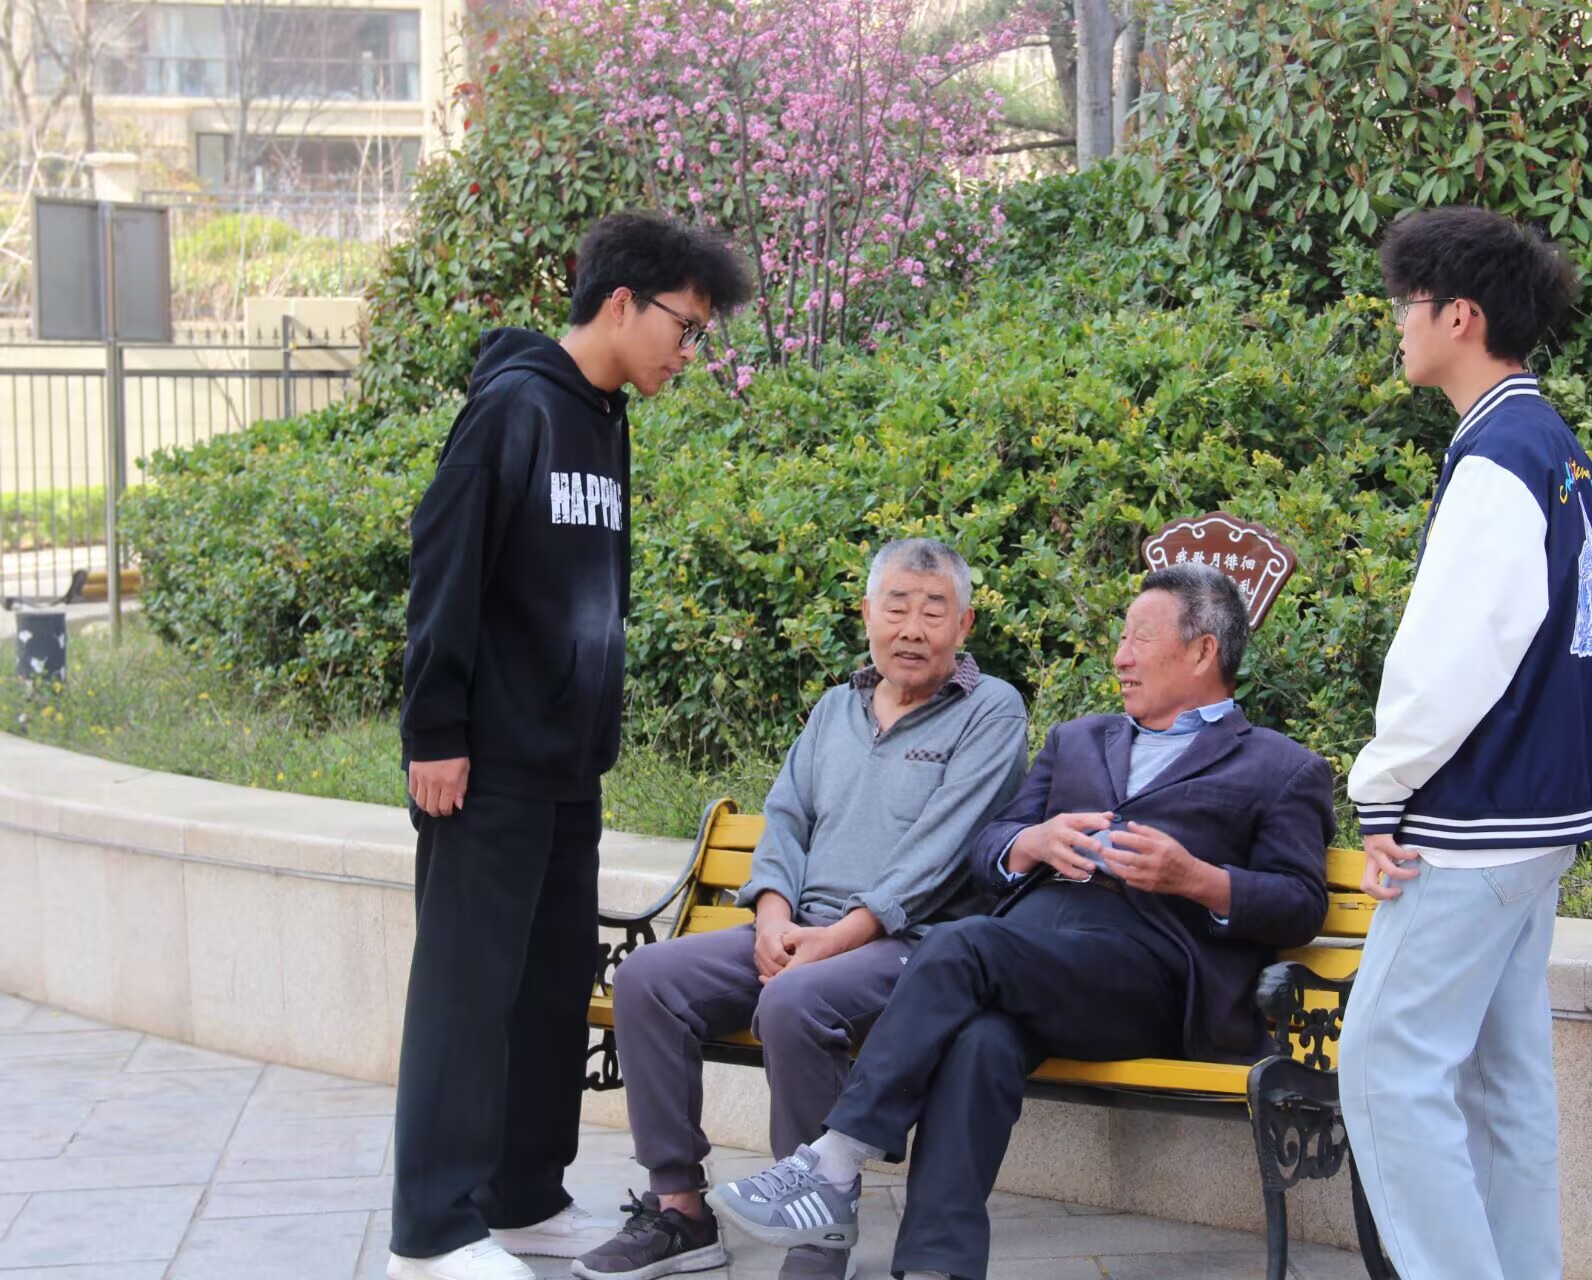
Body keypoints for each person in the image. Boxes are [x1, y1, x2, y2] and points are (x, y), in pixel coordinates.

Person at [710, 563, 1334, 1280]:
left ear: (1203, 652)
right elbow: (989, 847)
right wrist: (1031, 843)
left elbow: (1299, 903)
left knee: (962, 943)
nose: (1120, 657)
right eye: (1122, 638)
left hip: (1148, 978)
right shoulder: (1079, 740)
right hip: (1032, 959)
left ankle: (835, 1161)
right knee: (981, 1041)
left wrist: (1197, 878)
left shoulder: (1281, 768)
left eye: (1139, 639)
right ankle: (937, 1267)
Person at [390, 212, 751, 1280]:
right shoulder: (514, 408)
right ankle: (431, 1232)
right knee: (466, 996)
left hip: (565, 767)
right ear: (622, 302)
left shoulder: (603, 418)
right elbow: (444, 565)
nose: (689, 351)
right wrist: (436, 729)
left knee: (549, 989)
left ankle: (522, 1198)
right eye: (685, 326)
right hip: (486, 764)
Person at [573, 538, 1029, 1280]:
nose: (912, 629)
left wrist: (837, 938)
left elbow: (944, 849)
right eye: (897, 608)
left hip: (917, 943)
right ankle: (680, 1211)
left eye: (933, 610)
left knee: (793, 1000)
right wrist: (775, 917)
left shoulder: (991, 711)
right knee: (648, 979)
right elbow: (785, 820)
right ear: (867, 614)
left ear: (964, 624)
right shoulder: (836, 707)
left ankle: (818, 1230)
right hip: (802, 929)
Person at [1339, 205, 1592, 1280]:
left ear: (1461, 315)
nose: (1397, 324)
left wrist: (1382, 786)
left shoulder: (1499, 453)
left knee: (1385, 1067)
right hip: (1538, 815)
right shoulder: (1551, 446)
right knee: (1504, 1083)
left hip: (1477, 816)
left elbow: (1456, 650)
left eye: (1406, 304)